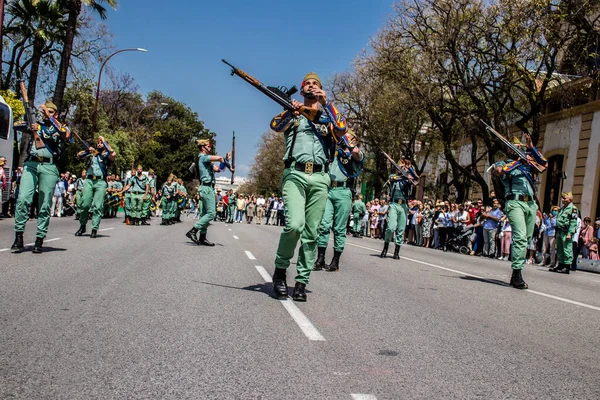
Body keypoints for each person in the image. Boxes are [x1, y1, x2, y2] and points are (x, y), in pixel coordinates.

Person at [269, 71, 347, 301]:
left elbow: (342, 129)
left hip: (321, 178)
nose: (312, 86)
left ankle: (302, 281)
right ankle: (280, 272)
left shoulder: (327, 119)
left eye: (316, 84)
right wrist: (289, 110)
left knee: (312, 232)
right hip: (295, 173)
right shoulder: (294, 115)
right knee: (294, 225)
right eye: (308, 84)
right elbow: (275, 125)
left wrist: (326, 102)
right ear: (302, 90)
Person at [11, 100, 70, 253]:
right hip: (31, 164)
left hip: (50, 166)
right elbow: (16, 125)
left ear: (55, 114)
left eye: (49, 112)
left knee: (44, 205)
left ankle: (39, 239)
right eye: (44, 111)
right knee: (23, 198)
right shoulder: (36, 125)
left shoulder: (61, 127)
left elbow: (66, 134)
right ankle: (18, 236)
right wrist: (30, 126)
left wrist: (50, 120)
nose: (45, 114)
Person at [492, 132, 547, 288]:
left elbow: (544, 164)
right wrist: (519, 161)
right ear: (510, 150)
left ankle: (517, 267)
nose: (518, 149)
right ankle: (517, 273)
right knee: (521, 237)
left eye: (521, 147)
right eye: (515, 148)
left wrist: (531, 149)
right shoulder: (505, 163)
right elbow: (500, 171)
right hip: (515, 203)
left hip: (530, 204)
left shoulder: (529, 164)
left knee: (527, 239)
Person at [314, 131, 364, 271]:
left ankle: (335, 261)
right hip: (329, 189)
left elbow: (357, 155)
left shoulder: (354, 154)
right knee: (323, 225)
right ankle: (320, 258)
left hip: (344, 191)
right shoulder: (334, 151)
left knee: (339, 228)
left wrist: (349, 144)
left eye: (347, 136)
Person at [185, 139, 233, 246]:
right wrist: (227, 162)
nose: (210, 148)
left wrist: (226, 162)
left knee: (204, 214)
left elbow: (218, 169)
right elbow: (220, 158)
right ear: (203, 147)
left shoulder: (207, 162)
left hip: (207, 188)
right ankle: (193, 231)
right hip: (206, 188)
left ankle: (202, 237)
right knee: (211, 213)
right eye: (209, 146)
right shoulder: (202, 157)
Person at [74, 136, 116, 238]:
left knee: (98, 206)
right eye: (98, 142)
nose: (99, 144)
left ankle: (94, 228)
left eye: (101, 142)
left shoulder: (106, 154)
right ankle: (82, 225)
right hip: (89, 180)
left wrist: (105, 141)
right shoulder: (91, 153)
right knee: (85, 204)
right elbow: (78, 155)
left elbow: (113, 154)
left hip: (100, 181)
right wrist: (88, 151)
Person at [380, 160, 419, 259]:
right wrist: (405, 176)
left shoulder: (408, 178)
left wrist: (410, 168)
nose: (401, 168)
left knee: (401, 229)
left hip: (404, 205)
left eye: (403, 167)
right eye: (400, 167)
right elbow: (392, 178)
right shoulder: (394, 176)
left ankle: (396, 252)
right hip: (394, 203)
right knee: (391, 227)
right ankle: (385, 248)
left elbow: (417, 179)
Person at [548, 192, 579, 274]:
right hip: (559, 231)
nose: (563, 200)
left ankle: (566, 266)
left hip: (566, 232)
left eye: (565, 198)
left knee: (567, 249)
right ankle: (560, 265)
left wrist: (570, 233)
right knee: (560, 249)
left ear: (570, 199)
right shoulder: (562, 209)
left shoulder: (573, 209)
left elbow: (573, 222)